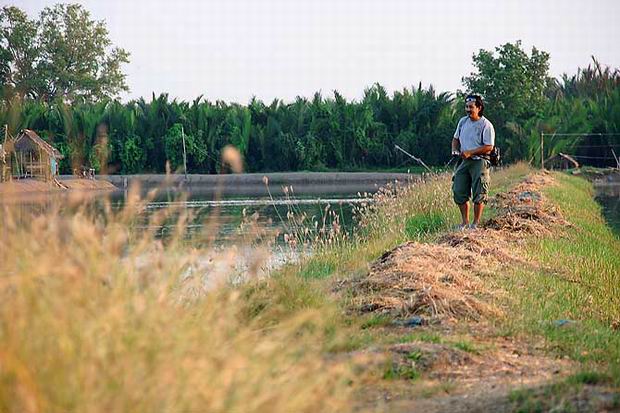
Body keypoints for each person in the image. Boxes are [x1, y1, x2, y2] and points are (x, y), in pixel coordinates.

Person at [451, 94, 495, 230]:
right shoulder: (462, 122)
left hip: (480, 162)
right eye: (466, 107)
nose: (468, 110)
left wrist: (471, 152)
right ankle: (464, 222)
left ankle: (475, 224)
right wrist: (454, 150)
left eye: (471, 107)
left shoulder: (486, 125)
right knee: (458, 190)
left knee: (479, 193)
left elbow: (489, 146)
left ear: (479, 108)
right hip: (465, 161)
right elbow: (455, 139)